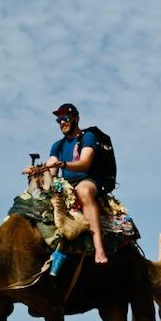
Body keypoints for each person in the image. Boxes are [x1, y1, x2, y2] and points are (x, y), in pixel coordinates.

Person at [23, 103, 108, 264]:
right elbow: (52, 168)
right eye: (59, 120)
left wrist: (63, 165)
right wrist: (37, 171)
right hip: (65, 184)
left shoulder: (87, 137)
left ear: (76, 118)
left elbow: (84, 163)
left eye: (66, 118)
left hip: (86, 179)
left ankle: (99, 249)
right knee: (37, 198)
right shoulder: (58, 145)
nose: (62, 122)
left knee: (84, 191)